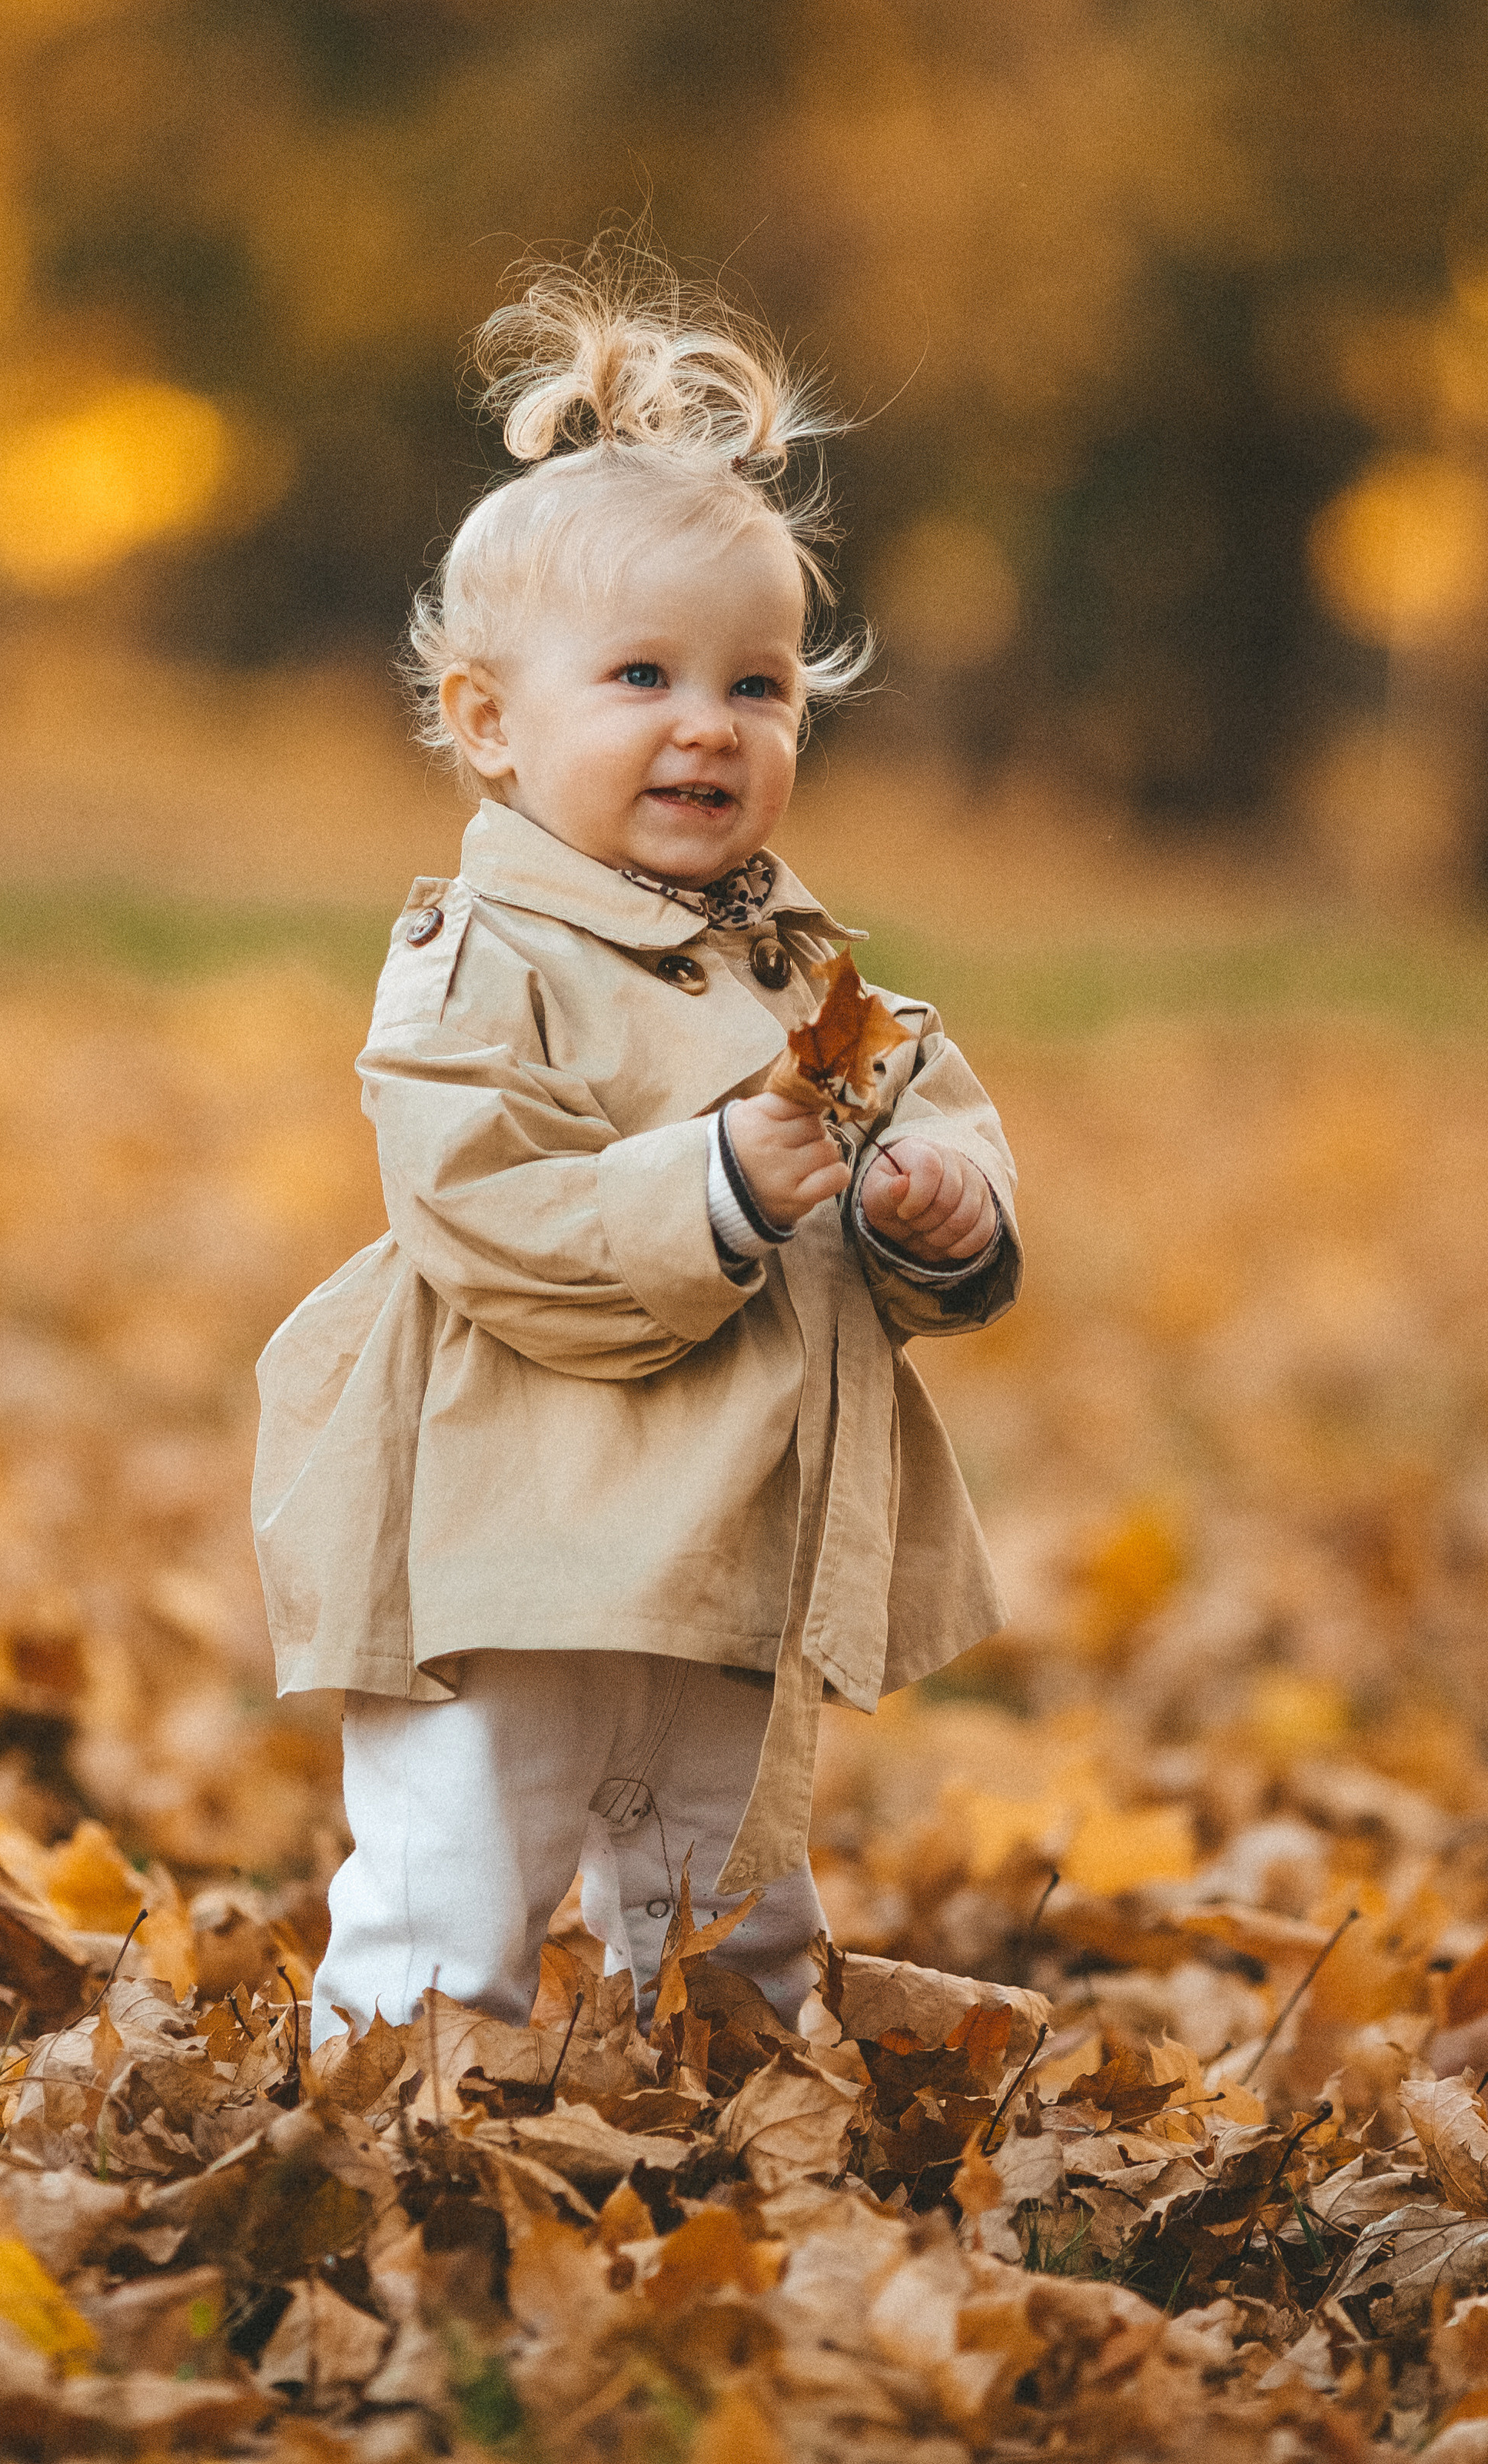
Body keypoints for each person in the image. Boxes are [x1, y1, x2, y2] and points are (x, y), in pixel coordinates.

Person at [252, 250, 1021, 2048]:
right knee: (466, 1852)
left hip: (732, 1525)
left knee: (730, 1865)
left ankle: (741, 2102)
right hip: (513, 1523)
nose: (709, 722)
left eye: (757, 684)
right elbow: (477, 1201)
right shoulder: (477, 954)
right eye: (641, 674)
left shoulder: (812, 971)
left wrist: (937, 1209)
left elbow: (934, 1125)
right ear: (492, 724)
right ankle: (398, 2101)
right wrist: (719, 1185)